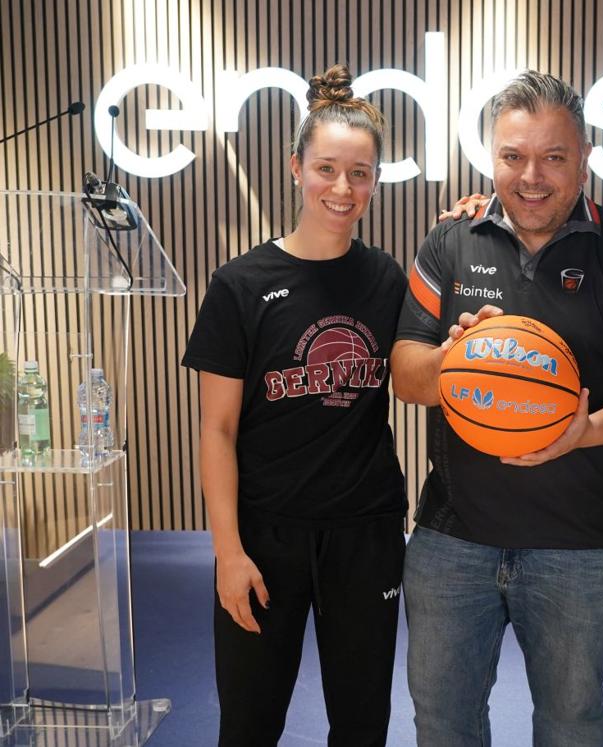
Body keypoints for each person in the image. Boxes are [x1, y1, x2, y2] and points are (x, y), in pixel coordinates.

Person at [391, 71, 603, 747]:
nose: (531, 177)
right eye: (513, 156)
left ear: (584, 158)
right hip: (452, 539)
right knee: (443, 725)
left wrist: (583, 432)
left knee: (570, 727)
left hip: (580, 545)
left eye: (554, 157)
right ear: (490, 156)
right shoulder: (449, 242)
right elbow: (406, 375)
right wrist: (453, 360)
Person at [181, 65, 407, 746]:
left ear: (375, 178)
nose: (344, 189)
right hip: (265, 537)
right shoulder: (240, 285)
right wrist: (228, 551)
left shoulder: (386, 279)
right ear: (295, 167)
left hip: (365, 536)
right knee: (249, 725)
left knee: (362, 725)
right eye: (328, 169)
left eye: (360, 173)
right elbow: (216, 430)